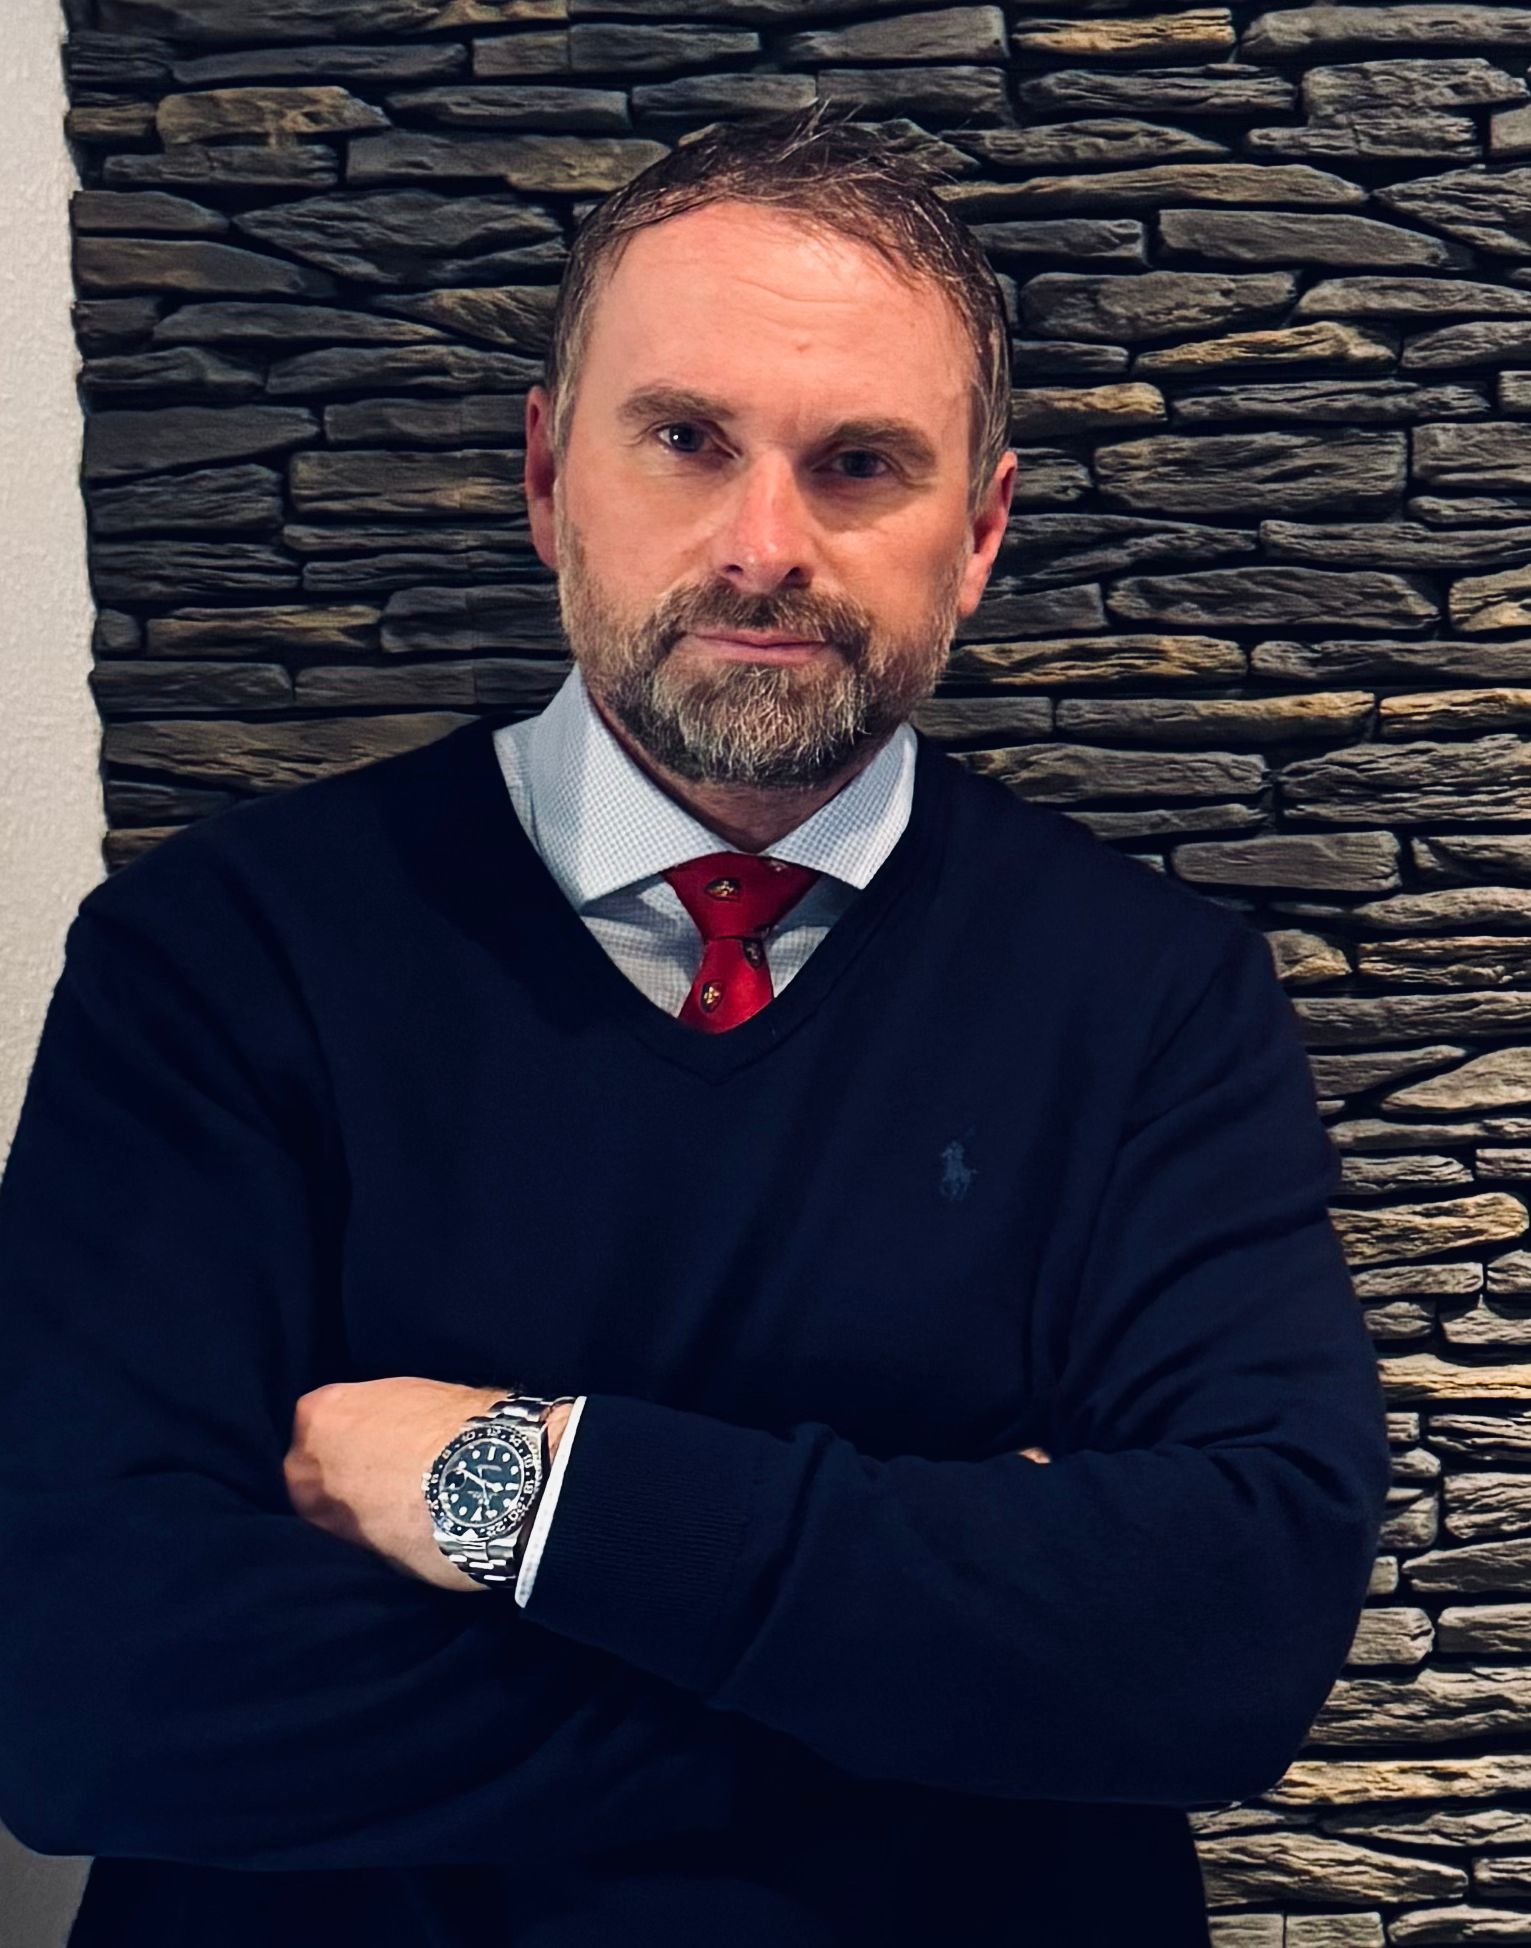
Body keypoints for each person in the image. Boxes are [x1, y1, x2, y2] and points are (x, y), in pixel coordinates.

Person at [0, 103, 1390, 1947]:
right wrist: (950, 1660)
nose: (761, 545)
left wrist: (526, 1497)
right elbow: (84, 1689)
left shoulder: (1152, 1002)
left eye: (860, 463)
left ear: (979, 535)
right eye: (685, 440)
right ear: (546, 475)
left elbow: (1230, 1635)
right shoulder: (217, 961)